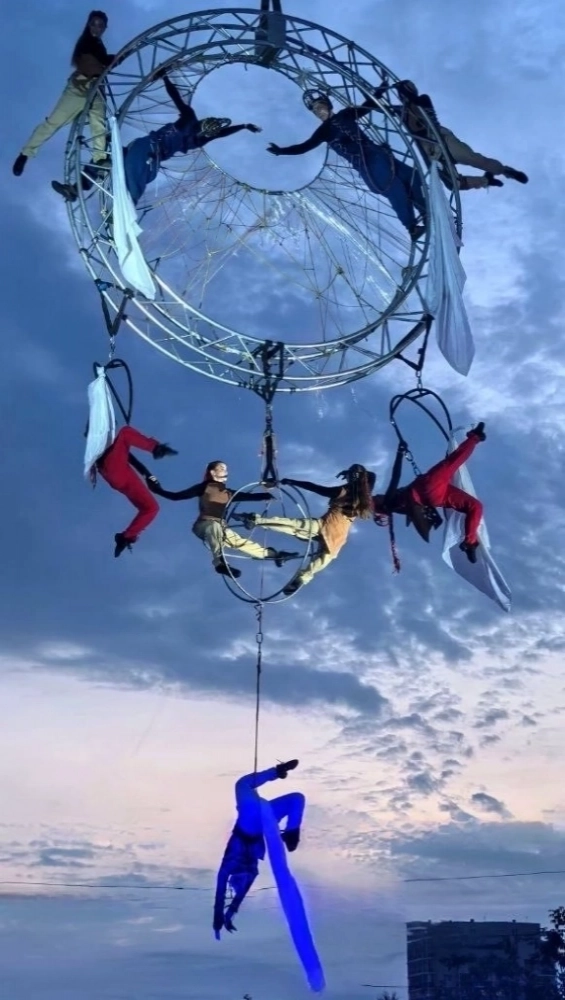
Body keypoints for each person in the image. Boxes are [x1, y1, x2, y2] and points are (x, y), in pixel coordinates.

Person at [266, 89, 427, 240]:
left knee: (413, 177)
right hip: (367, 164)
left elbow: (368, 105)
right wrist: (282, 151)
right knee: (395, 188)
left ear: (328, 105)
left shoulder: (346, 114)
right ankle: (411, 227)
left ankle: (426, 212)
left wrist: (380, 90)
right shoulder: (323, 132)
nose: (319, 111)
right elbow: (304, 147)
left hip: (380, 155)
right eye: (315, 111)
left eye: (320, 107)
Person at [235, 463, 376, 595]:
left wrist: (292, 482)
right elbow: (372, 476)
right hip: (339, 535)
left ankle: (255, 520)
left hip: (325, 525)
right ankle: (302, 578)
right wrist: (356, 473)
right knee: (323, 558)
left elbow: (315, 488)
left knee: (293, 525)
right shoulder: (366, 494)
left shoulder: (342, 491)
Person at [147, 460, 296, 577]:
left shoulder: (227, 492)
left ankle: (275, 555)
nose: (226, 471)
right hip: (204, 525)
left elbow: (245, 496)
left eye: (226, 469)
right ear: (213, 472)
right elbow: (176, 496)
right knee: (214, 526)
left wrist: (266, 495)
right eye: (222, 468)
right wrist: (157, 489)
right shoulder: (204, 487)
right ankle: (220, 564)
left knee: (241, 543)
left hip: (221, 528)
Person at [13, 11, 113, 180]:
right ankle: (25, 153)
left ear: (105, 28)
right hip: (79, 88)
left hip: (96, 90)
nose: (97, 28)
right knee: (53, 122)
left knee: (98, 124)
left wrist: (113, 60)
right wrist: (113, 60)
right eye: (94, 24)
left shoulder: (99, 45)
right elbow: (95, 61)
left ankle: (100, 159)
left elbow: (104, 61)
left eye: (100, 25)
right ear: (88, 25)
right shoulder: (86, 42)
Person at [373, 422, 486, 567]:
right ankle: (475, 437)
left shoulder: (396, 506)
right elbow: (395, 477)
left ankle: (470, 542)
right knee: (453, 461)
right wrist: (399, 453)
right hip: (429, 487)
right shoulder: (389, 503)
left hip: (436, 498)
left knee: (475, 506)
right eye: (377, 497)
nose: (378, 495)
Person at [213, 759, 304, 938]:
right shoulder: (239, 871)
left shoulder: (244, 872)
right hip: (253, 817)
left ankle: (292, 832)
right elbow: (224, 892)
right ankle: (292, 832)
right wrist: (223, 917)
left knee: (296, 798)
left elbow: (227, 895)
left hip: (257, 818)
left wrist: (222, 918)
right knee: (243, 784)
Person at [385, 80, 528, 191]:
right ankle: (485, 181)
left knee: (476, 159)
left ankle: (505, 170)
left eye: (403, 92)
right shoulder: (401, 111)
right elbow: (380, 107)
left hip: (443, 140)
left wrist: (404, 93)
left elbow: (421, 103)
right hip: (433, 153)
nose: (402, 97)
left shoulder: (422, 100)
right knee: (453, 184)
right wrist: (380, 93)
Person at [92, 425, 178, 558]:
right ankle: (127, 537)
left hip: (116, 472)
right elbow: (135, 462)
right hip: (116, 472)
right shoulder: (116, 445)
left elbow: (136, 463)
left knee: (152, 508)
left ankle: (126, 537)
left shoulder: (118, 446)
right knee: (125, 433)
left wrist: (150, 477)